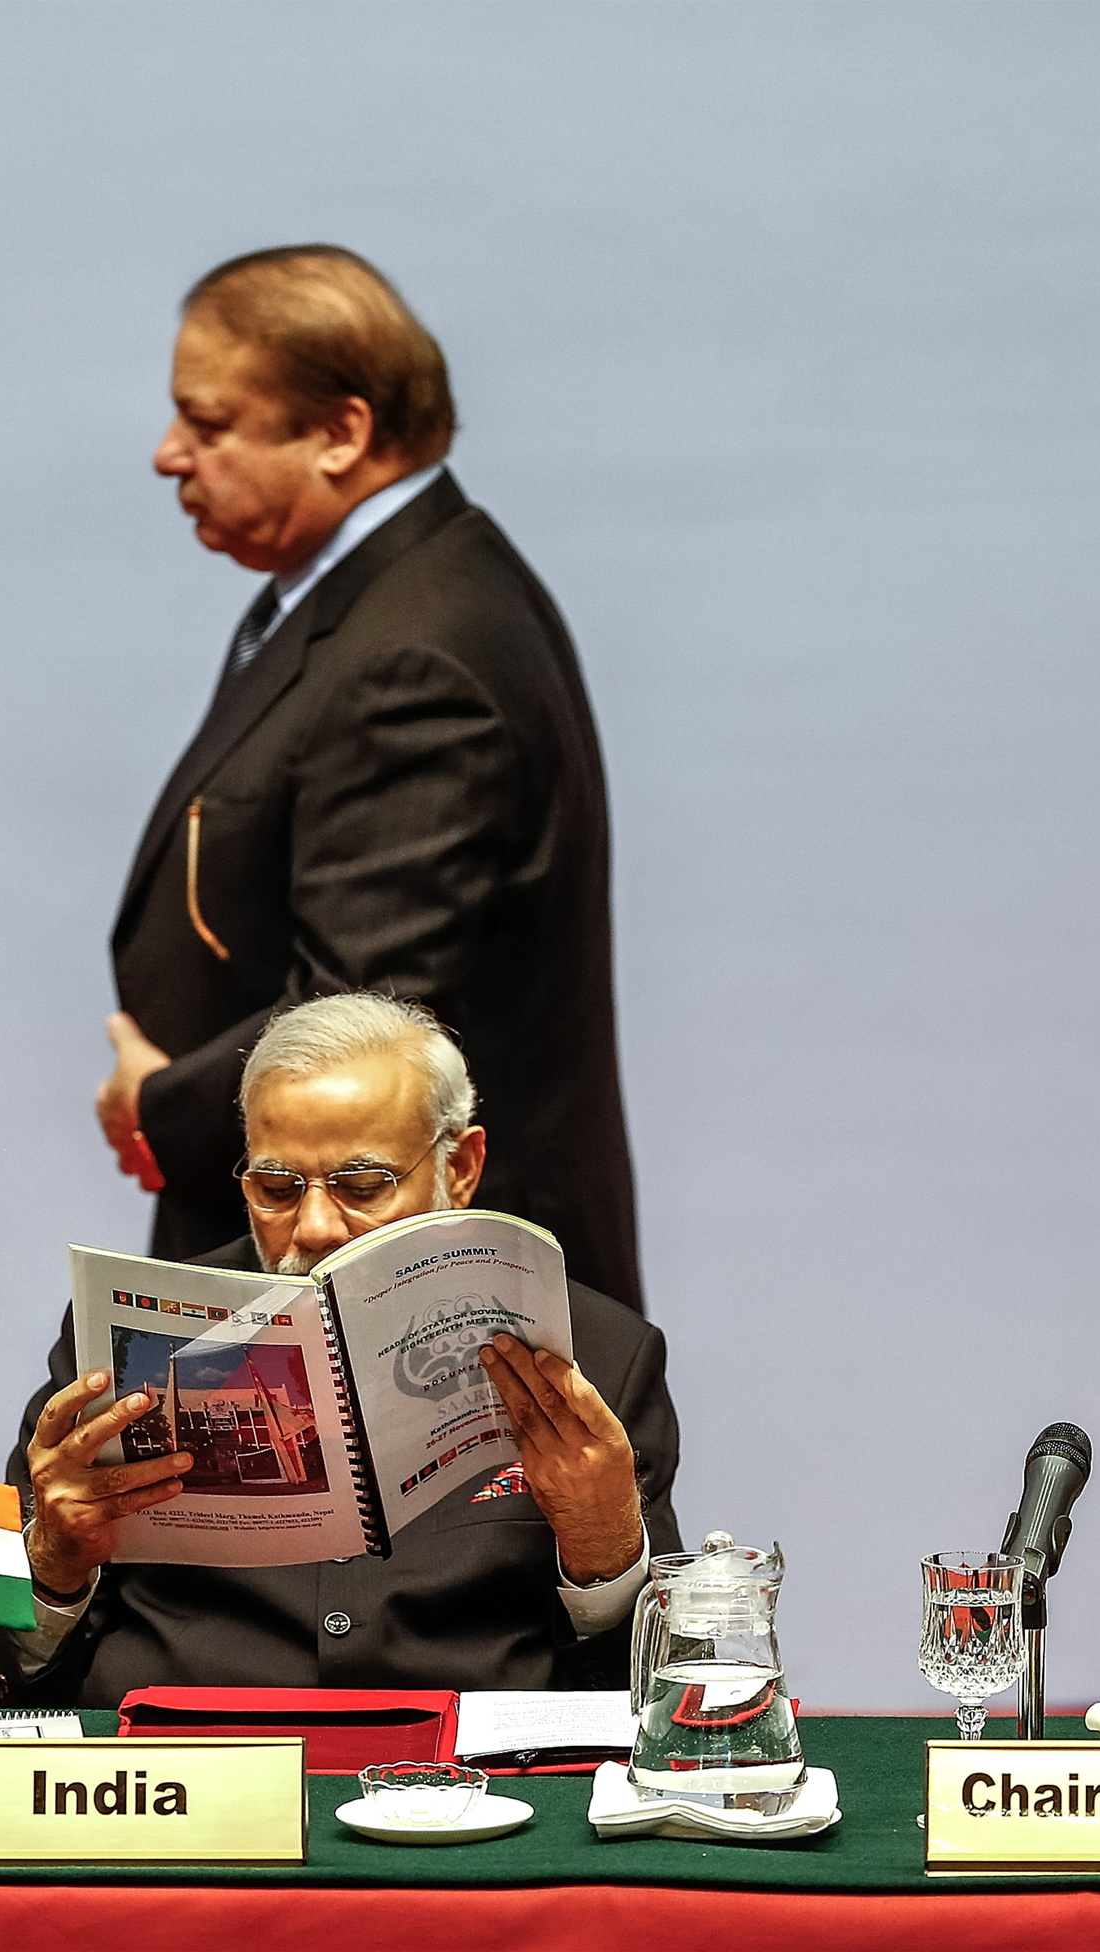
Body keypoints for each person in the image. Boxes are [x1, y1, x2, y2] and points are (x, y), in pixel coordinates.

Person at [96, 245, 642, 1312]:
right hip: (349, 1277)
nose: (169, 456)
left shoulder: (413, 651)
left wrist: (161, 1106)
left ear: (342, 432)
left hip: (421, 1318)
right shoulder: (378, 595)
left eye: (208, 424)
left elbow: (373, 1014)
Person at [0, 991, 677, 1708]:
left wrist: (605, 1555)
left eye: (362, 1183)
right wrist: (50, 1568)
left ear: (461, 1166)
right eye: (277, 1187)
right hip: (181, 1784)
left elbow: (668, 1701)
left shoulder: (601, 1356)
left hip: (460, 1793)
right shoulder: (124, 1342)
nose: (315, 1227)